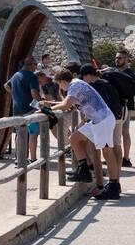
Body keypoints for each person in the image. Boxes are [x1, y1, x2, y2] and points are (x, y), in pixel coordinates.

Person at [46, 67, 121, 199]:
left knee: (107, 152)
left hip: (102, 121)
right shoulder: (76, 84)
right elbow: (68, 103)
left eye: (59, 84)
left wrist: (46, 110)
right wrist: (50, 104)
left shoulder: (74, 86)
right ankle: (84, 170)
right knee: (74, 139)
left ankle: (113, 186)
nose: (60, 87)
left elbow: (66, 105)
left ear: (63, 81)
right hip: (98, 120)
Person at [99, 54, 135, 169]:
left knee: (124, 132)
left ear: (126, 59)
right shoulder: (116, 71)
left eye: (119, 58)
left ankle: (126, 158)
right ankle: (117, 159)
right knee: (117, 135)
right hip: (119, 106)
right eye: (116, 58)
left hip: (125, 106)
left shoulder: (129, 72)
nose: (117, 60)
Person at [4, 56, 43, 162]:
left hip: (17, 109)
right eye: (35, 64)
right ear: (30, 65)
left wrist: (16, 95)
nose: (36, 67)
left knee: (19, 133)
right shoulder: (32, 76)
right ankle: (33, 159)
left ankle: (18, 158)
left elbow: (6, 86)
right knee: (33, 134)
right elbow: (34, 92)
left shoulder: (16, 75)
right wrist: (41, 103)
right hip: (30, 110)